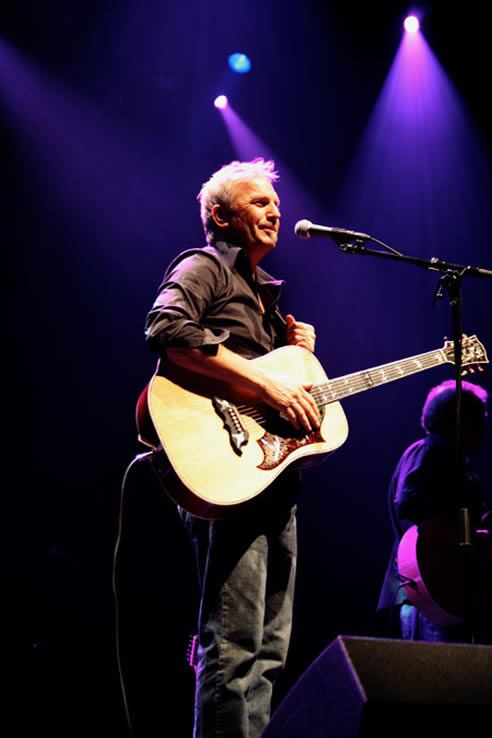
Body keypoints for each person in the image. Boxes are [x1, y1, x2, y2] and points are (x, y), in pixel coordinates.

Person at [143, 158, 320, 738]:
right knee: (235, 640)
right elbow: (167, 327)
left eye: (275, 203)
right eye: (259, 203)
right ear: (220, 215)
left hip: (271, 476)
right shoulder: (204, 267)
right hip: (225, 474)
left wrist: (296, 354)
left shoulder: (265, 297)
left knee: (269, 650)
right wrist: (268, 380)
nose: (276, 212)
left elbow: (270, 391)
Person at [377, 378, 491, 644]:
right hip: (430, 597)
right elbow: (414, 509)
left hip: (436, 596)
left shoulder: (449, 458)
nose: (486, 424)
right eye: (480, 414)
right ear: (459, 417)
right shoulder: (433, 450)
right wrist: (470, 546)